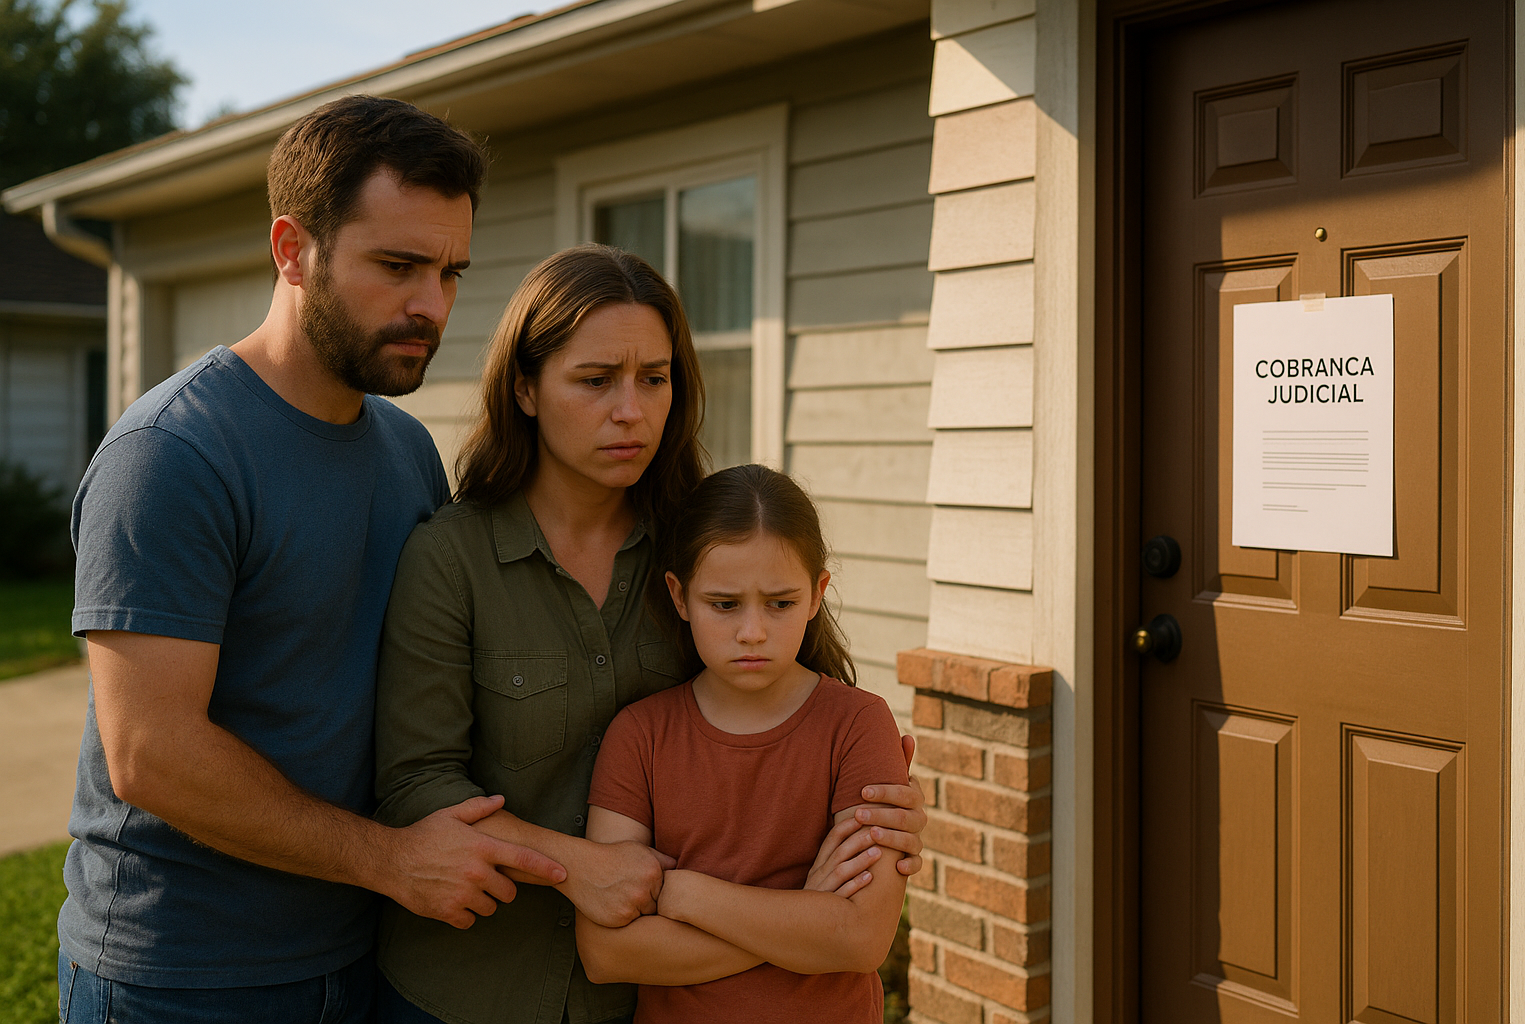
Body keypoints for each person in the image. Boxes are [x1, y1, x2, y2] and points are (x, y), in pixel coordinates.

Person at [58, 95, 565, 1024]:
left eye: (451, 272)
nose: (432, 305)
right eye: (398, 265)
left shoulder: (407, 453)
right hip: (179, 976)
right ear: (293, 250)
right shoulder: (172, 456)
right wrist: (390, 860)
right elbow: (150, 753)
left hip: (358, 952)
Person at [373, 244, 926, 1024]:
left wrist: (884, 811)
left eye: (654, 379)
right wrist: (579, 867)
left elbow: (803, 697)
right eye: (595, 381)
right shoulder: (450, 557)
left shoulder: (706, 549)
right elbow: (416, 786)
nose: (630, 410)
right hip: (472, 991)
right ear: (525, 388)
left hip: (647, 998)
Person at [577, 463, 908, 1023]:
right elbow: (607, 952)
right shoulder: (639, 736)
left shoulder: (859, 725)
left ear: (816, 593)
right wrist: (805, 918)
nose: (752, 631)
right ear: (679, 597)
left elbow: (859, 941)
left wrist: (683, 895)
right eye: (724, 604)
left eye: (779, 603)